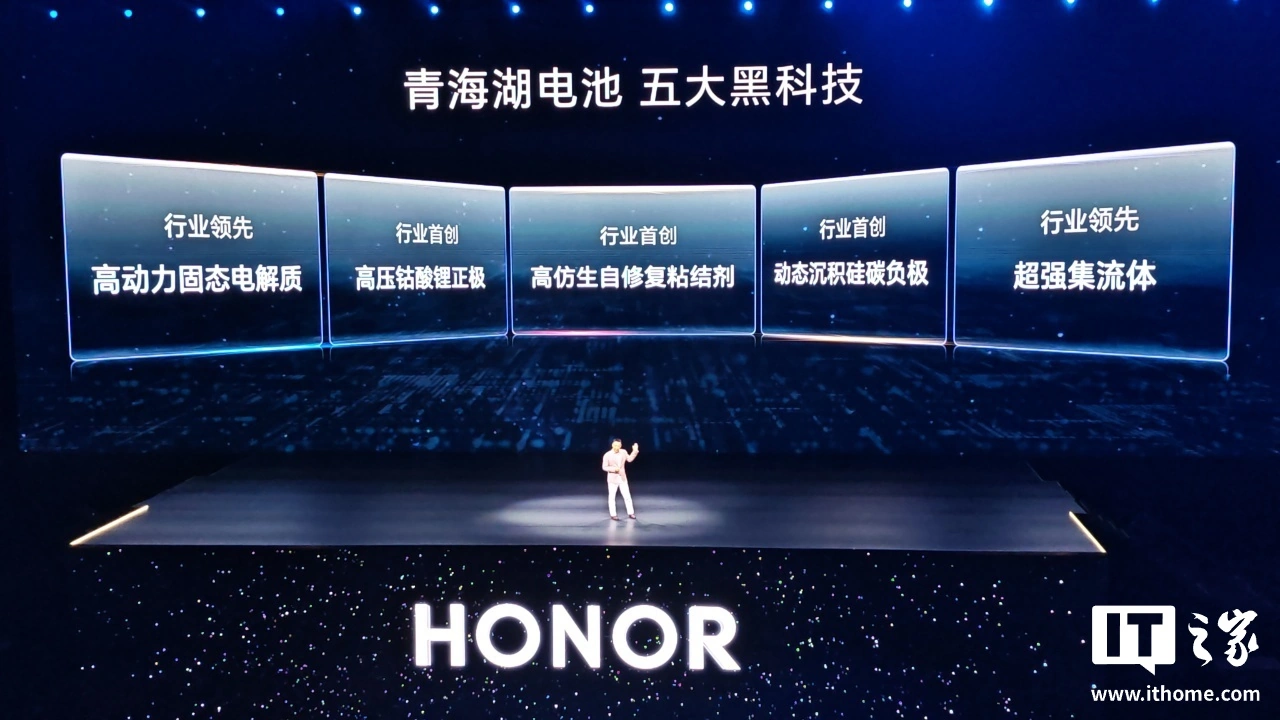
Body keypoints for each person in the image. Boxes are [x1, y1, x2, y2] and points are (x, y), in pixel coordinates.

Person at [602, 438, 639, 521]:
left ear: (620, 445)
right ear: (612, 445)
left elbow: (629, 459)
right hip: (612, 479)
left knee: (627, 496)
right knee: (612, 497)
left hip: (622, 478)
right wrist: (613, 469)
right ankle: (613, 514)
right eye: (615, 445)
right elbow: (604, 467)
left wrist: (635, 451)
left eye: (618, 445)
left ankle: (631, 513)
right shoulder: (607, 455)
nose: (616, 447)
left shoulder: (623, 452)